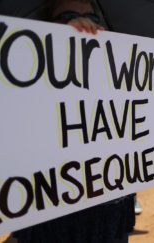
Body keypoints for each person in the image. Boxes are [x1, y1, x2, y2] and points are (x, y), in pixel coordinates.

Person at [12, 1, 135, 242]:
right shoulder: (21, 70)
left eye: (93, 17)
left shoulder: (119, 69)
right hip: (52, 212)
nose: (85, 23)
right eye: (67, 15)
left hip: (109, 206)